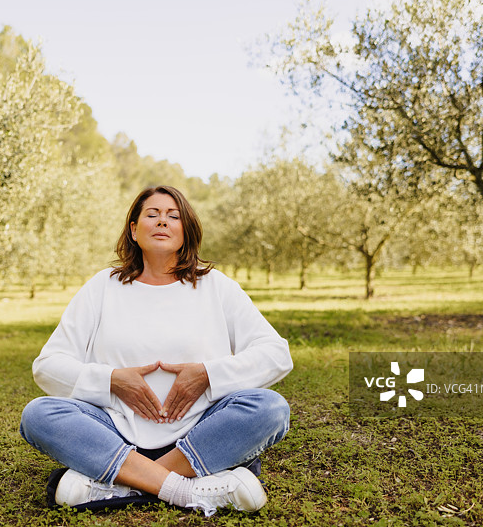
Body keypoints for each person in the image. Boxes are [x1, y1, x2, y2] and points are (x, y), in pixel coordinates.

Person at [20, 185, 293, 516]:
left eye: (173, 216)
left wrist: (207, 376)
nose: (162, 221)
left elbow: (276, 354)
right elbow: (47, 366)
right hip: (115, 433)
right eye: (152, 214)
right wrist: (112, 381)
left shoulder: (216, 287)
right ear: (134, 230)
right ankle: (188, 489)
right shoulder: (103, 286)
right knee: (39, 415)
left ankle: (118, 485)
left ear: (185, 231)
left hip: (201, 432)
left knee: (270, 408)